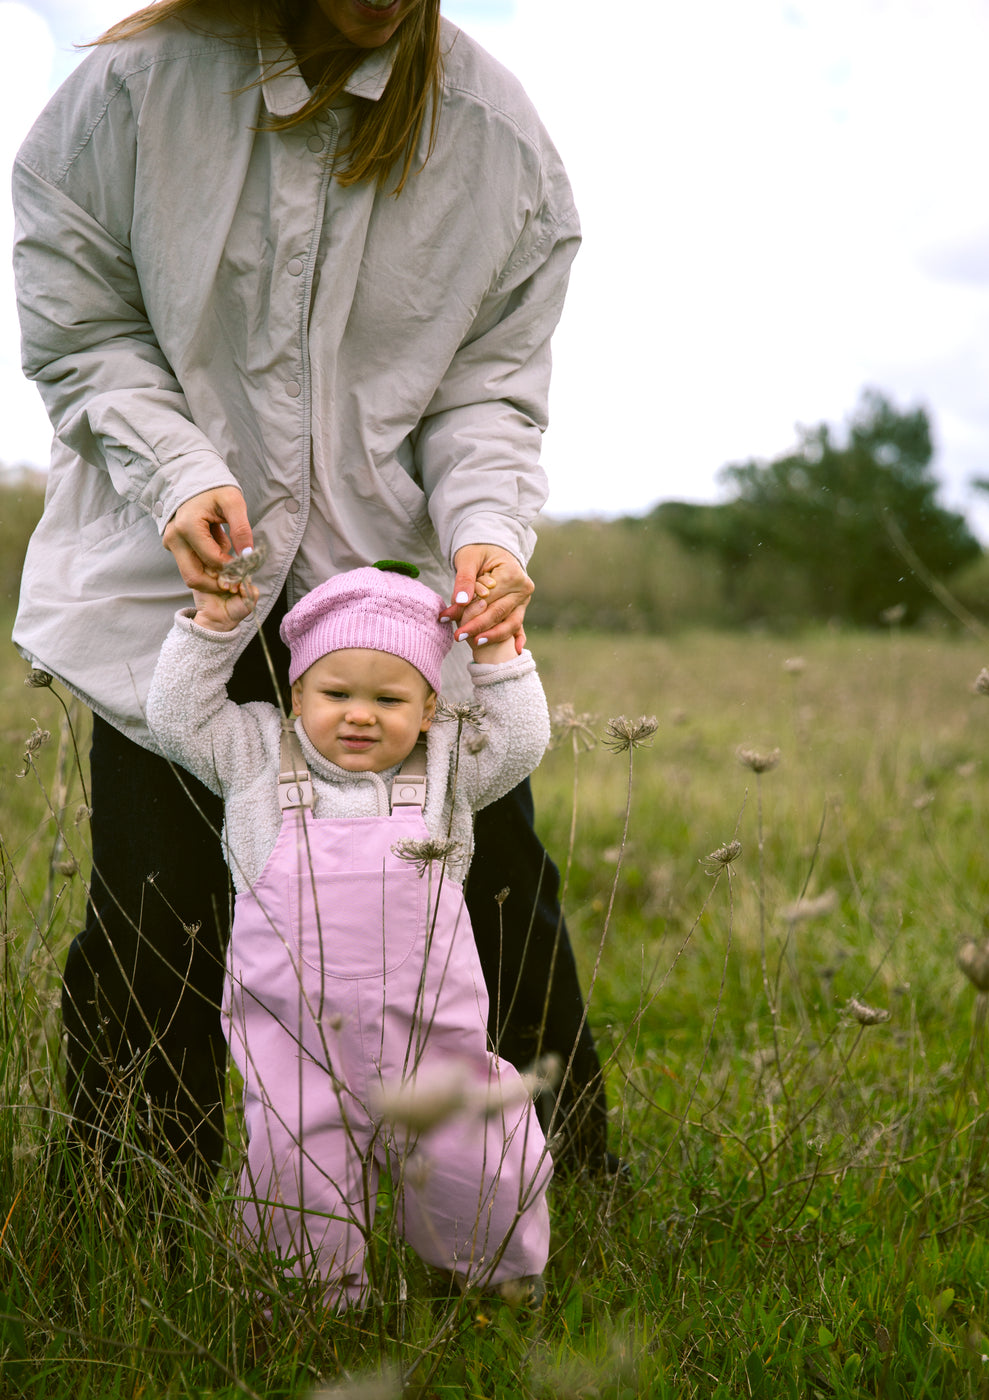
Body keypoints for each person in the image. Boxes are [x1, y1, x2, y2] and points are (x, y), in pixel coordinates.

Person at [12, 0, 611, 1196]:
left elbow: (489, 395)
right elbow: (82, 326)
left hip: (381, 605)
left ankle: (562, 1191)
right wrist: (178, 473)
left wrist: (486, 534)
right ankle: (142, 1205)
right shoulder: (131, 92)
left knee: (491, 883)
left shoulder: (499, 143)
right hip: (173, 583)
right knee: (156, 900)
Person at [144, 560, 552, 1307]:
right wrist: (210, 626)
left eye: (389, 699)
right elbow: (176, 716)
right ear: (296, 695)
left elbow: (521, 742)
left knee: (483, 1163)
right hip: (297, 1054)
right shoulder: (256, 757)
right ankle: (318, 1310)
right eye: (336, 694)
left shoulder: (444, 769)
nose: (361, 715)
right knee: (297, 1180)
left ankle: (490, 1293)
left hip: (432, 1046)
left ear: (430, 708)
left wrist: (499, 655)